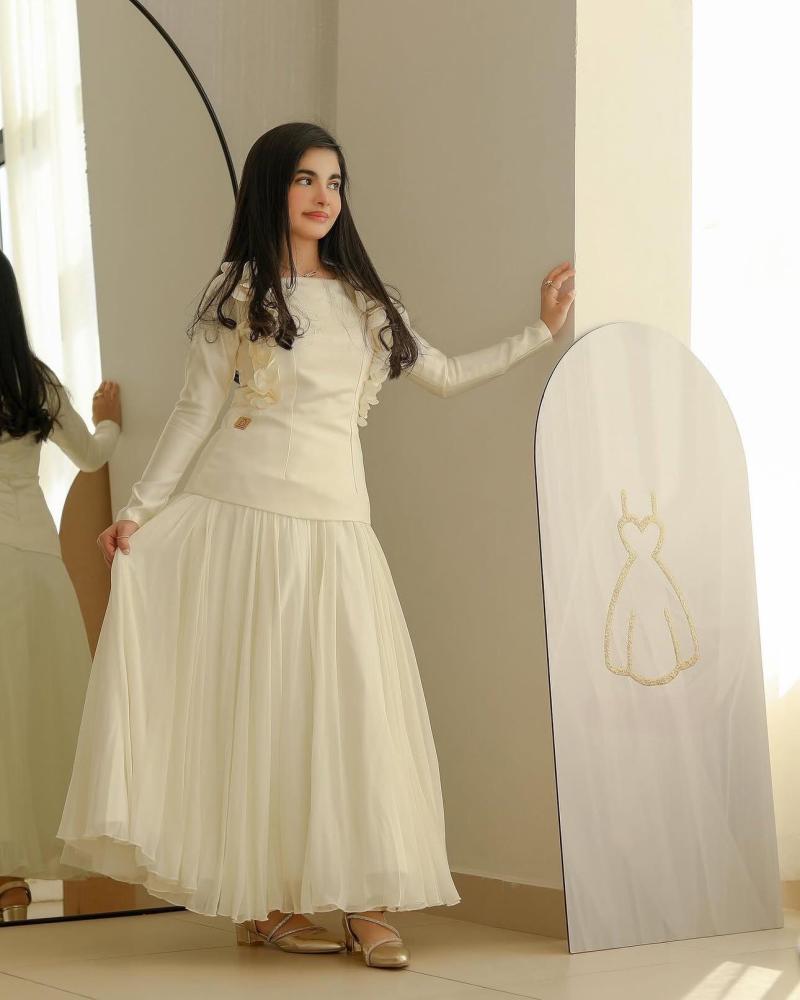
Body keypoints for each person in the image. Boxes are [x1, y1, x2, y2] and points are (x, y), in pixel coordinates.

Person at [56, 122, 575, 970]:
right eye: (305, 179)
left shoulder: (366, 301)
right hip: (240, 520)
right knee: (261, 708)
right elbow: (196, 411)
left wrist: (540, 334)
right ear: (273, 187)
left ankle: (365, 905)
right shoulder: (237, 291)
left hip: (335, 528)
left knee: (349, 708)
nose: (324, 196)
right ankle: (267, 903)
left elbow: (443, 376)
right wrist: (141, 512)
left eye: (334, 181)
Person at [0, 249, 121, 921]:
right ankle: (12, 880)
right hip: (31, 561)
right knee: (28, 717)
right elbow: (93, 454)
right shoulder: (35, 383)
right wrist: (110, 417)